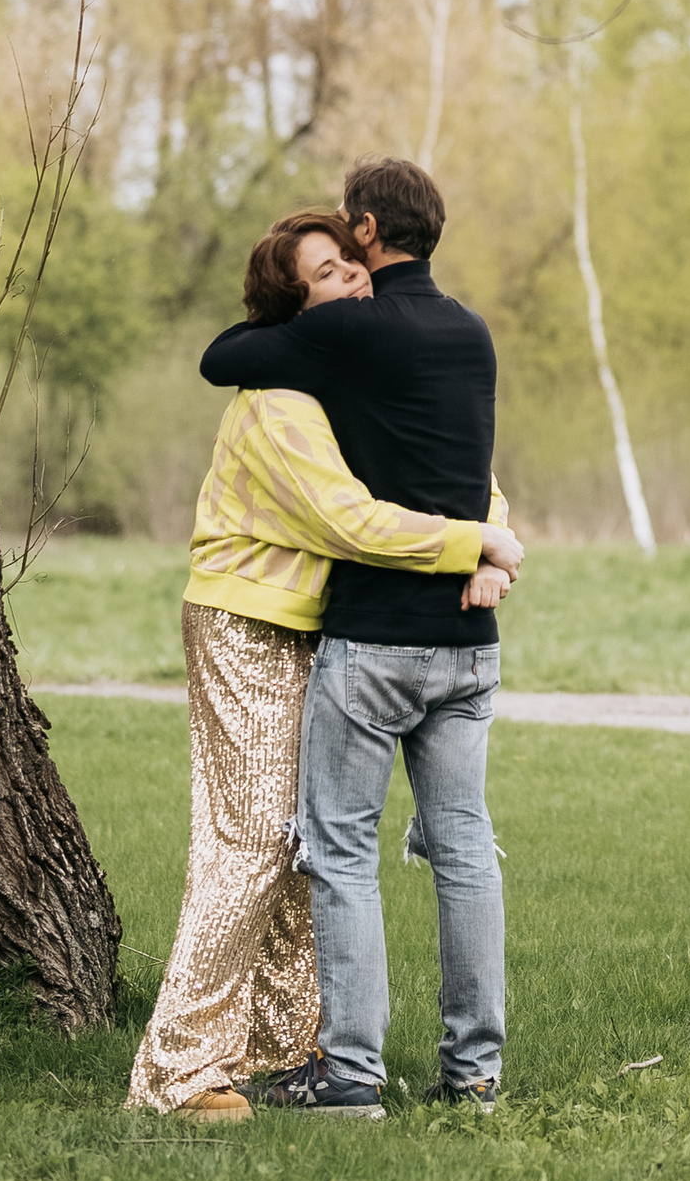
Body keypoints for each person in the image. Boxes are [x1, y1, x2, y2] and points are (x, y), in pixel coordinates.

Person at [129, 207, 519, 1124]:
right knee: (256, 839)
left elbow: (451, 463)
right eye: (328, 273)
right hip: (248, 620)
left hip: (327, 627)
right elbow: (346, 519)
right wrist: (476, 542)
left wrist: (491, 544)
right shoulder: (279, 401)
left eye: (354, 261)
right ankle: (181, 1069)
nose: (354, 278)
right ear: (295, 307)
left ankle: (287, 1044)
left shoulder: (352, 373)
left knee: (311, 847)